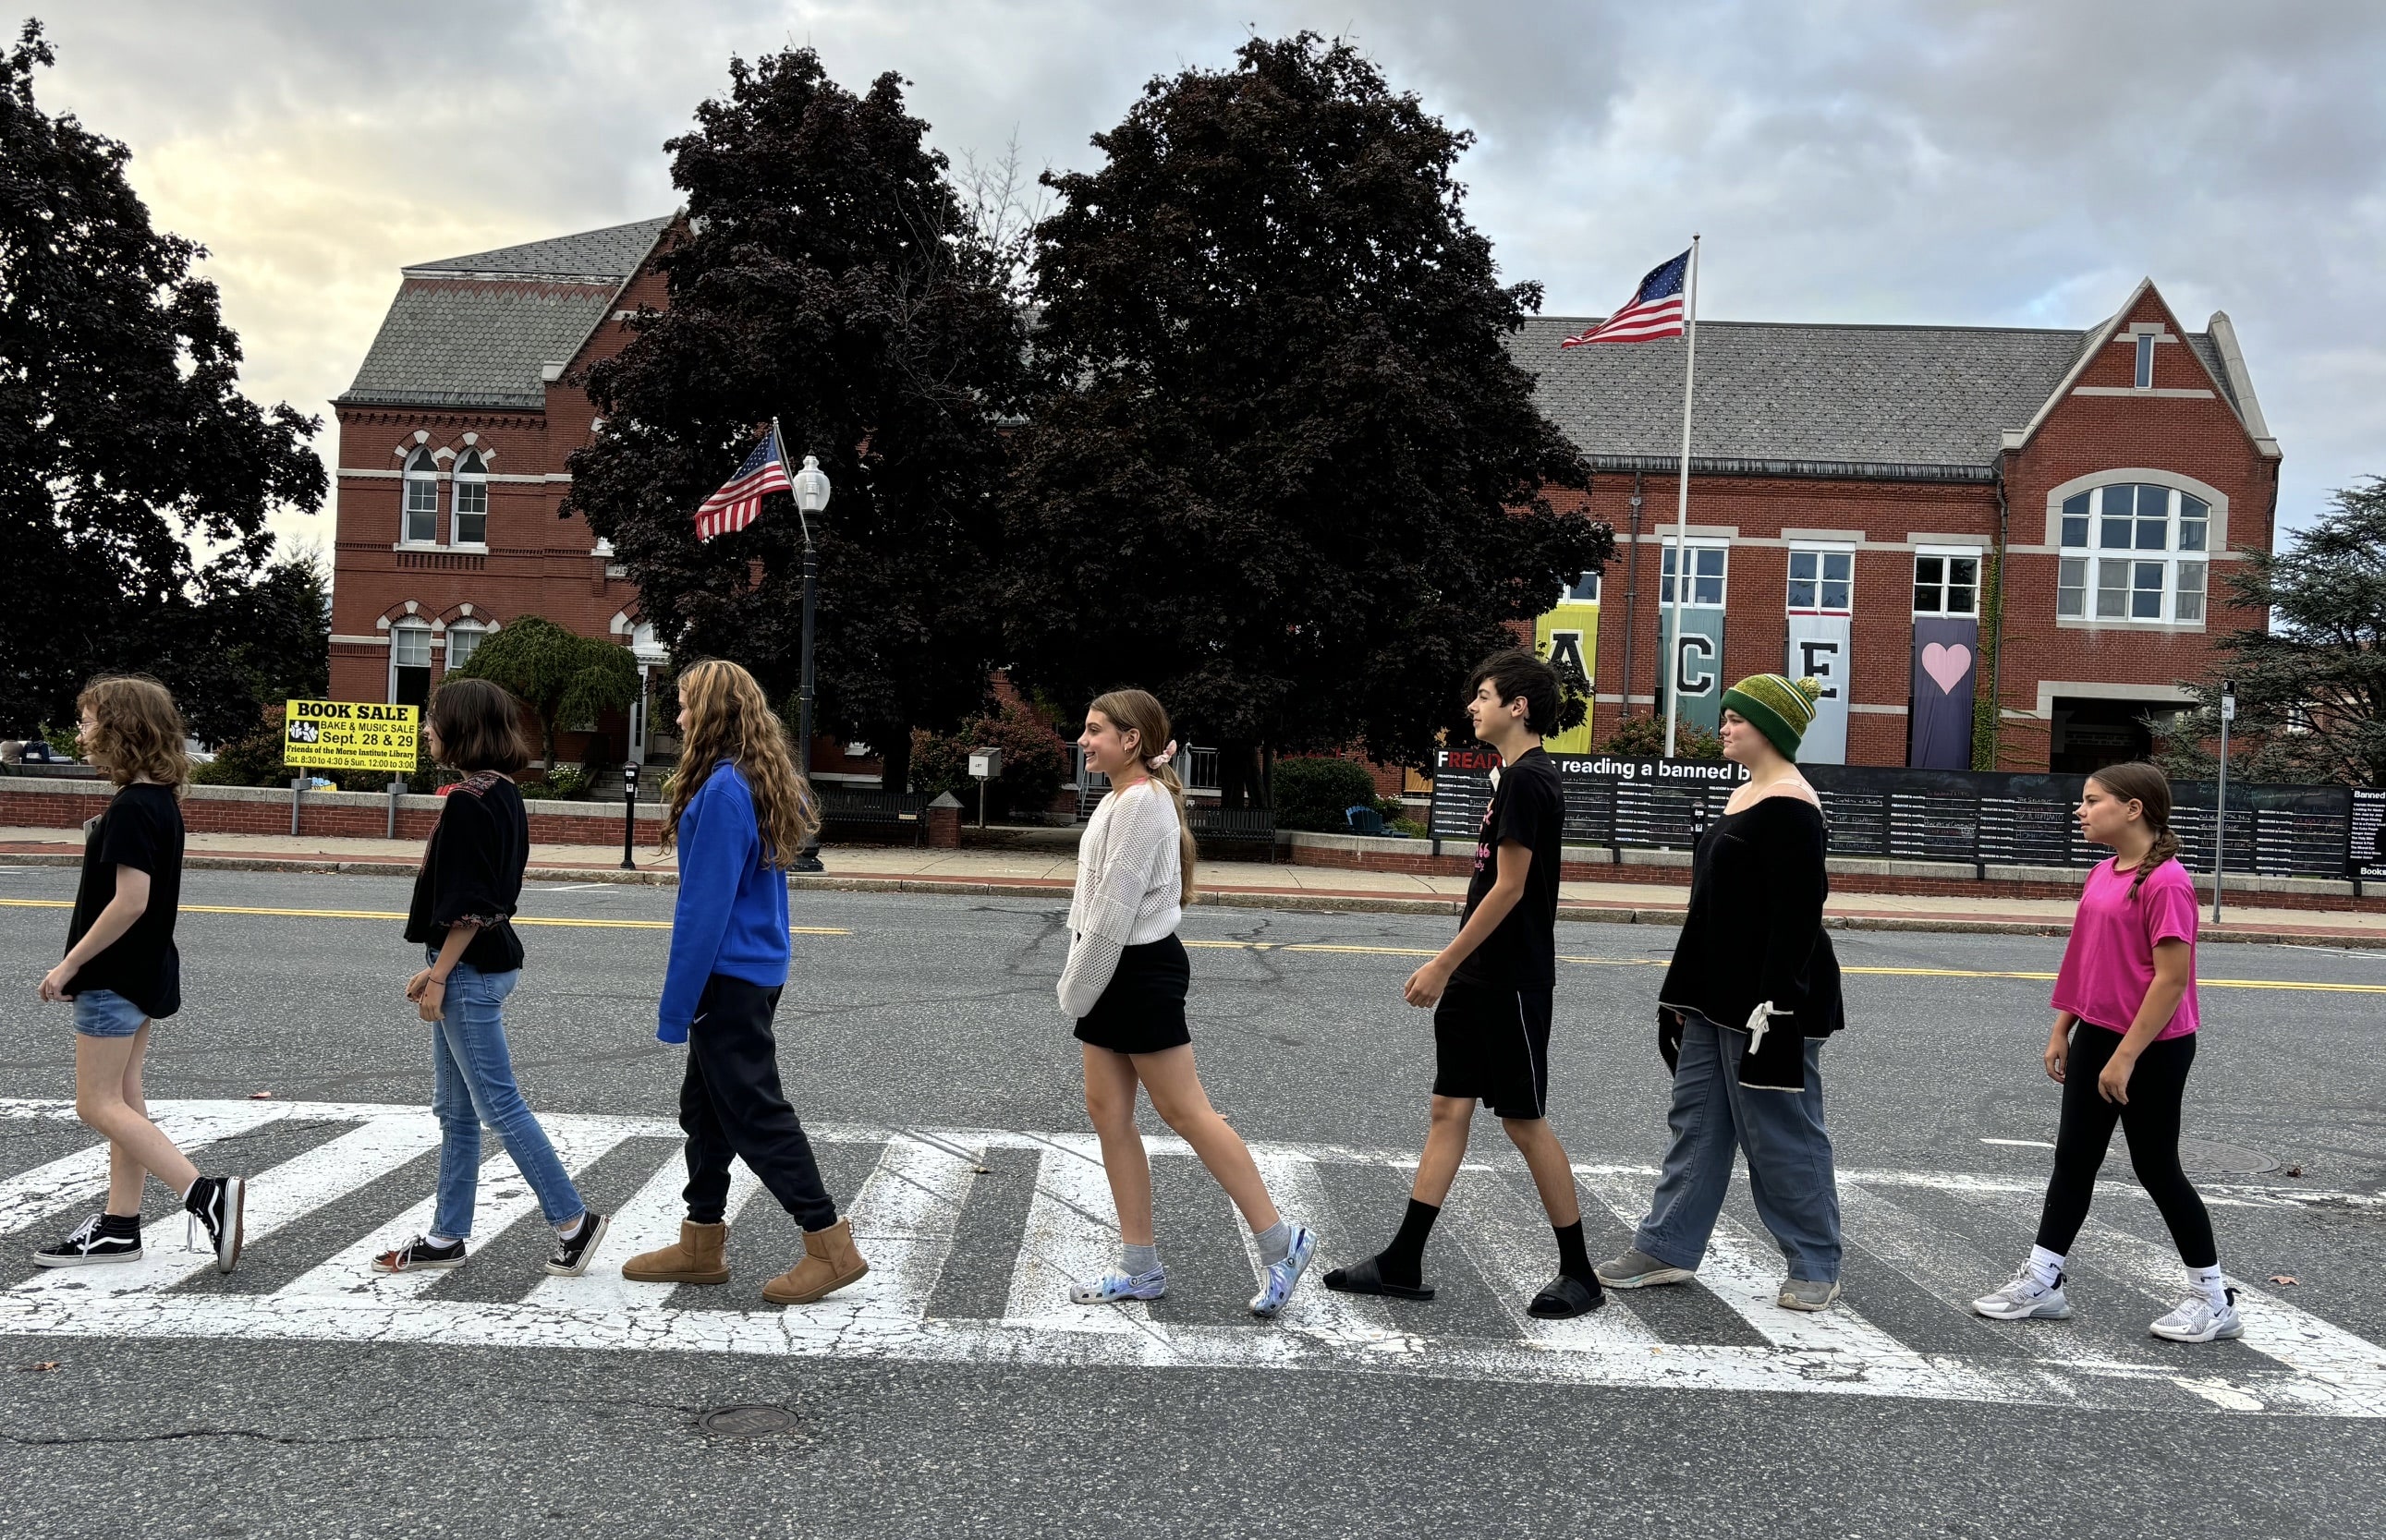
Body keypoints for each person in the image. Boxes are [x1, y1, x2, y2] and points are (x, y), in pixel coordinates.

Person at [1326, 650, 1603, 1317]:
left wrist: (1443, 961)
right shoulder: (1508, 777)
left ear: (1519, 706)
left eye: (1483, 696)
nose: (1471, 707)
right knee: (1448, 1109)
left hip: (1509, 980)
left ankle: (1580, 1272)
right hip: (1480, 977)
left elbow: (1509, 888)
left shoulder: (1530, 781)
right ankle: (1403, 1258)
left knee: (1523, 1120)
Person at [1060, 687, 1317, 1316]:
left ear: (1131, 740)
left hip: (1136, 967)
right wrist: (1081, 972)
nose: (1084, 740)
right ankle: (1139, 1264)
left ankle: (1282, 1242)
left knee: (1186, 1111)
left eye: (1095, 730)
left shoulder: (1142, 804)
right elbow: (1091, 903)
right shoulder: (1119, 797)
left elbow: (1116, 908)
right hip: (1110, 964)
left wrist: (1075, 986)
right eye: (1084, 728)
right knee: (1107, 1111)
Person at [1595, 675, 1848, 1311]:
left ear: (1772, 731)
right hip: (1713, 995)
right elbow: (1708, 908)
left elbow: (1797, 914)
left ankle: (1815, 1261)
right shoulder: (1744, 794)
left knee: (1781, 1131)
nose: (1725, 726)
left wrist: (1777, 1004)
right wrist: (1676, 994)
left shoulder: (1793, 803)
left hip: (1770, 1001)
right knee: (1697, 1122)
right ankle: (1666, 1245)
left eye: (1737, 717)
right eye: (1726, 715)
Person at [619, 659, 868, 1304]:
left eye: (682, 706)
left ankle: (829, 1243)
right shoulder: (752, 779)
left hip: (726, 976)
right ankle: (701, 1243)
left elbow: (704, 911)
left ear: (711, 714)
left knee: (755, 1111)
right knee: (704, 1110)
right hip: (751, 969)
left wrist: (676, 1008)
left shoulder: (727, 790)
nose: (676, 718)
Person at [1972, 761, 2240, 1342]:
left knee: (2156, 1167)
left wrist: (2126, 1056)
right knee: (2074, 1158)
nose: (2082, 810)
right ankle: (2045, 1280)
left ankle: (2213, 1298)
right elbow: (2085, 959)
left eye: (2093, 800)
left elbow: (2171, 980)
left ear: (2133, 809)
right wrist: (2062, 1027)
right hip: (2097, 1033)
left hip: (2153, 1044)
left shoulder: (2167, 881)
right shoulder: (2103, 873)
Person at [373, 677, 609, 1276]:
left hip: (470, 972)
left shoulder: (467, 800)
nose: (427, 728)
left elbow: (473, 903)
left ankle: (573, 1220)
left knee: (498, 1106)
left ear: (462, 727)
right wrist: (433, 969)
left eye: (434, 719)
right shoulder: (501, 791)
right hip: (478, 964)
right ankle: (448, 1234)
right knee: (455, 1111)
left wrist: (438, 976)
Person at [31, 676, 245, 1271]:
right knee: (125, 1099)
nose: (82, 731)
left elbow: (131, 900)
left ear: (120, 730)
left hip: (112, 974)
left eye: (90, 720)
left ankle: (205, 1194)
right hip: (145, 969)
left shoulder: (129, 809)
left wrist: (70, 963)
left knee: (94, 1104)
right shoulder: (161, 802)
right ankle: (120, 1226)